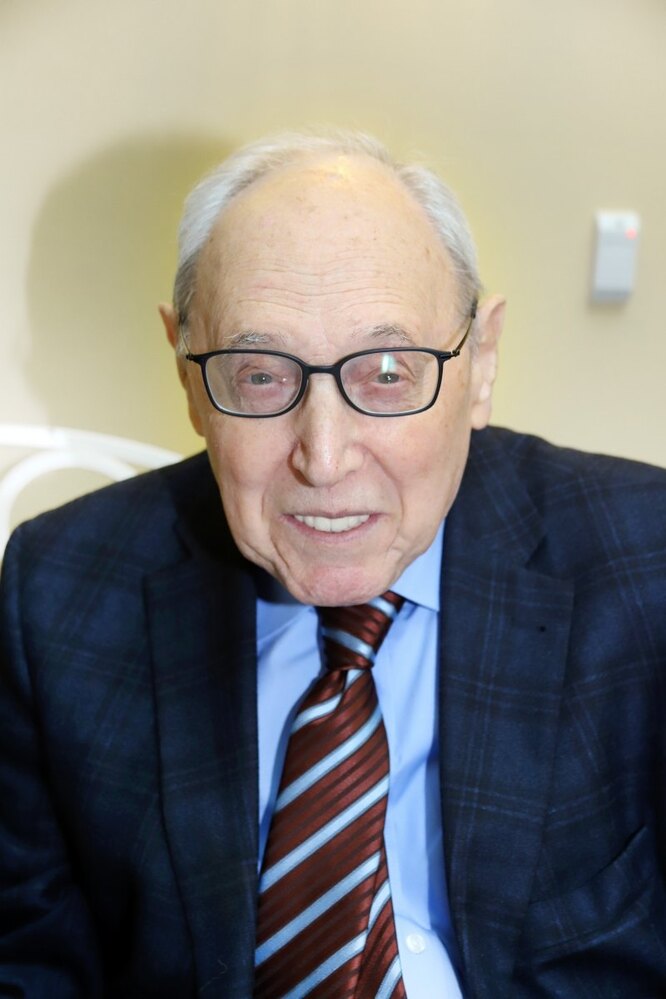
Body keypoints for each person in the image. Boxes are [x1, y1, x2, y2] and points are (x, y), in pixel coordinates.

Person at [1, 130, 665, 999]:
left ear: (481, 362)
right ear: (188, 374)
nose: (323, 456)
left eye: (387, 372)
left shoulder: (646, 561)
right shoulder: (57, 592)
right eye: (260, 375)